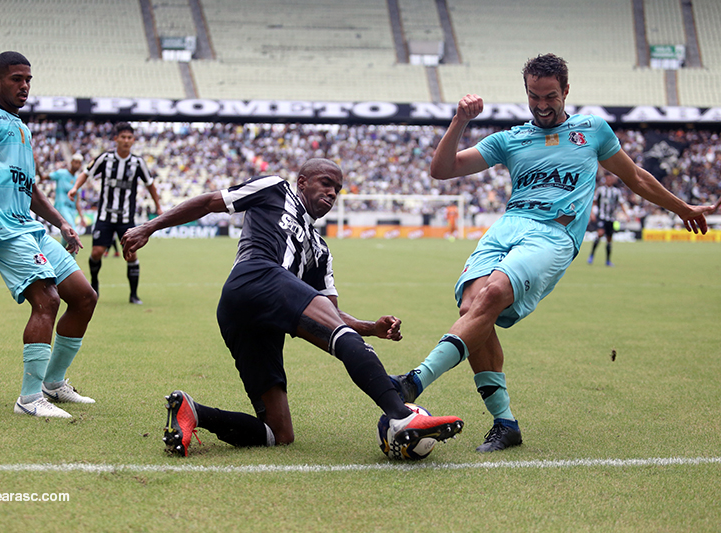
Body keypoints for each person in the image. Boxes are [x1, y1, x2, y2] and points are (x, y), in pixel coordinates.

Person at [390, 53, 716, 453]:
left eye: (550, 96)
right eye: (533, 96)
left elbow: (636, 178)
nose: (542, 105)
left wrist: (683, 208)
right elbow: (442, 169)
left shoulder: (593, 131)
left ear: (566, 91)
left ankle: (412, 381)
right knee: (472, 310)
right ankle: (505, 424)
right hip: (507, 228)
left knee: (492, 294)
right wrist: (460, 121)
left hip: (553, 235)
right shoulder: (510, 139)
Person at [121, 158, 464, 456]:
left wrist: (370, 327)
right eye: (326, 184)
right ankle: (401, 414)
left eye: (338, 190)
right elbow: (211, 202)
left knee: (279, 434)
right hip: (254, 277)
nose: (332, 194)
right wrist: (150, 226)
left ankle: (194, 412)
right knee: (347, 341)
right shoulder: (274, 189)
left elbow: (331, 315)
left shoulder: (320, 250)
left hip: (259, 319)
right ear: (302, 182)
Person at [0, 51, 97, 418]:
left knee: (84, 297)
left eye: (28, 79)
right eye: (16, 79)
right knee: (47, 299)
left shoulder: (22, 128)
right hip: (3, 229)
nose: (24, 86)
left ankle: (52, 384)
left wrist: (62, 223)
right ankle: (28, 400)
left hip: (30, 228)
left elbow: (30, 190)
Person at [68, 122, 162, 304]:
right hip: (105, 216)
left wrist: (158, 206)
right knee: (96, 252)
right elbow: (86, 173)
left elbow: (150, 184)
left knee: (131, 255)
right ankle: (94, 285)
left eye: (129, 138)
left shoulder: (138, 163)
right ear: (116, 139)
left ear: (133, 140)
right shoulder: (105, 159)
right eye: (123, 137)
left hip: (126, 218)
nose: (126, 141)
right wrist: (75, 188)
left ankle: (133, 295)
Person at [37, 153, 86, 252]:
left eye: (79, 163)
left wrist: (81, 217)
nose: (77, 165)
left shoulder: (78, 180)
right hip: (61, 208)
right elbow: (43, 178)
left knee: (65, 240)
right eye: (75, 162)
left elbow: (77, 201)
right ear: (71, 162)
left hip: (72, 211)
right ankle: (72, 264)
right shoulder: (61, 173)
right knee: (73, 232)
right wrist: (37, 166)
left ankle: (57, 259)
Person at [587, 173, 630, 266]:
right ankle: (591, 255)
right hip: (602, 217)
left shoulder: (616, 191)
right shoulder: (600, 190)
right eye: (608, 178)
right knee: (600, 233)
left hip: (611, 218)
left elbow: (621, 203)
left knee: (609, 239)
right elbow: (594, 202)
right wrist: (591, 213)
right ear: (605, 179)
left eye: (611, 179)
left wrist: (626, 214)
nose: (609, 180)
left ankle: (608, 260)